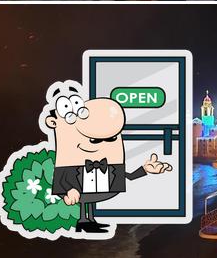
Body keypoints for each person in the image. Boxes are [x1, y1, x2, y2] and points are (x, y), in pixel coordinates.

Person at [44, 84, 172, 234]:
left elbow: (128, 177)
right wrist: (68, 190)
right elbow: (61, 179)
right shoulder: (68, 164)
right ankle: (83, 221)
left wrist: (145, 170)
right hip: (80, 190)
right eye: (94, 140)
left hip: (95, 188)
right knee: (86, 199)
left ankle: (88, 221)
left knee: (89, 200)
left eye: (111, 138)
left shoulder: (109, 166)